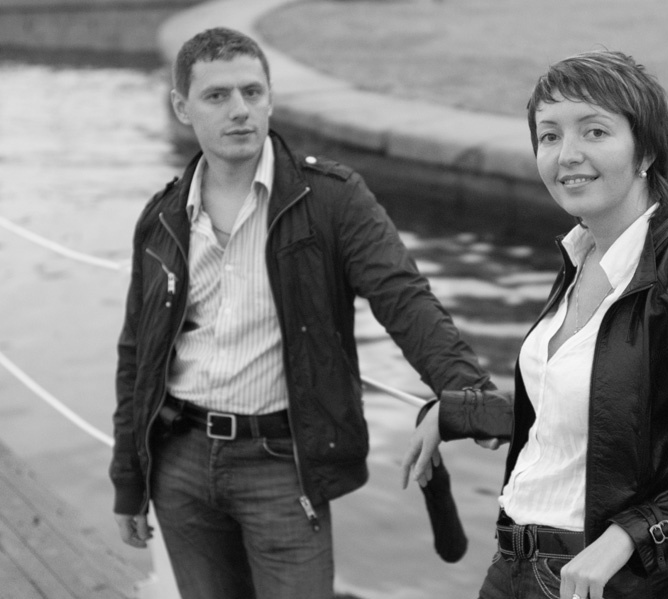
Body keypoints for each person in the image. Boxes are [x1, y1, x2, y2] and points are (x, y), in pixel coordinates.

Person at [110, 27, 492, 599]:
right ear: (182, 108)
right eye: (217, 96)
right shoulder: (161, 217)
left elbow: (403, 296)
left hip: (281, 463)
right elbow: (135, 355)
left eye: (252, 91)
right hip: (179, 460)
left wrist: (468, 392)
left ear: (270, 98)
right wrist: (129, 479)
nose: (240, 110)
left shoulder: (333, 199)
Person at [402, 50, 668, 599]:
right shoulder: (582, 256)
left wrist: (633, 534)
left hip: (598, 580)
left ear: (646, 149)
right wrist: (461, 411)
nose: (566, 155)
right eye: (549, 136)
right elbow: (586, 409)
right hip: (510, 562)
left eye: (594, 131)